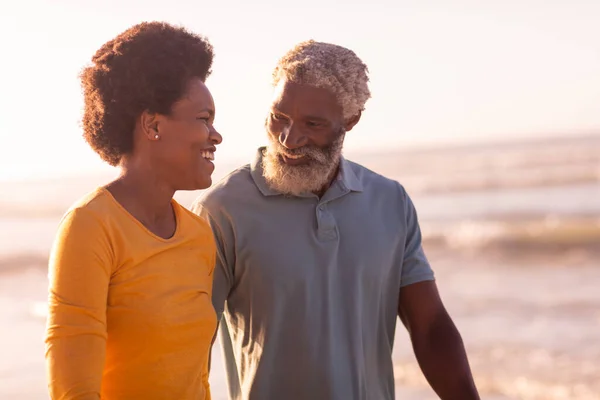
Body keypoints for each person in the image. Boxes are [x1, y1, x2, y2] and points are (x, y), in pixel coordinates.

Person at [192, 40, 480, 400]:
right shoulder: (222, 209)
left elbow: (430, 327)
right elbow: (191, 344)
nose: (289, 138)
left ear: (350, 120)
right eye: (279, 116)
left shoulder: (390, 202)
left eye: (312, 124)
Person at [44, 22, 222, 400]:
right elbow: (73, 389)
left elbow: (196, 380)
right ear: (153, 124)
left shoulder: (198, 234)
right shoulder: (91, 226)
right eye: (203, 119)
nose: (216, 135)